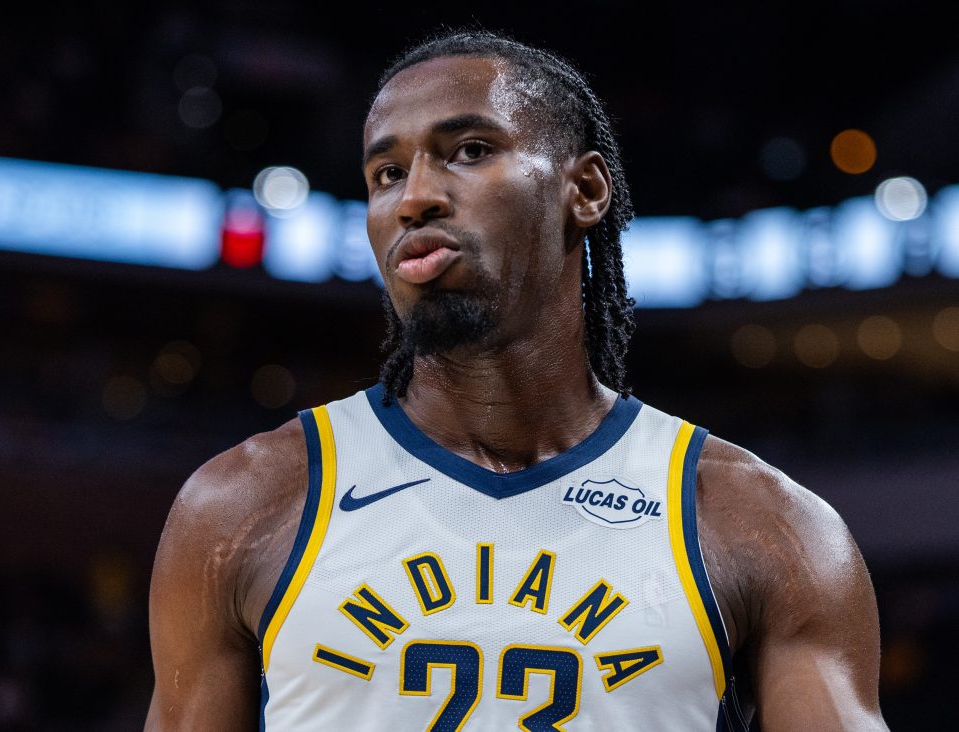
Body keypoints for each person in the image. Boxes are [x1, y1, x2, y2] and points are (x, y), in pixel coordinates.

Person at [145, 29, 888, 731]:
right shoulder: (243, 505)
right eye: (387, 173)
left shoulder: (763, 527)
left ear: (586, 190)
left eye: (468, 150)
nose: (414, 198)